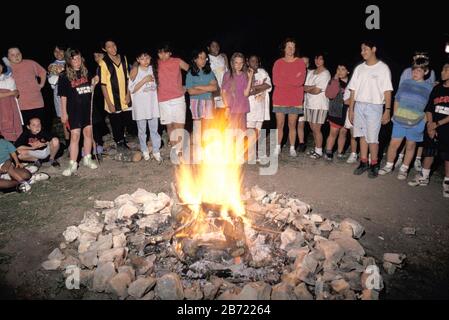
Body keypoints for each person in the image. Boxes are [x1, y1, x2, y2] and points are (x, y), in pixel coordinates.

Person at [378, 58, 433, 180]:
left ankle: (404, 169)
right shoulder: (405, 83)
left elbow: (430, 106)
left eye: (419, 70)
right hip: (400, 119)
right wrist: (395, 114)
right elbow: (397, 99)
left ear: (426, 71)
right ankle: (389, 165)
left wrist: (424, 120)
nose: (415, 73)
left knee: (410, 146)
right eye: (414, 70)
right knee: (393, 144)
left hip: (417, 121)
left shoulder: (429, 87)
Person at [348, 41, 393, 178]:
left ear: (373, 49)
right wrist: (351, 109)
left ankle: (374, 164)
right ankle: (363, 162)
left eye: (365, 49)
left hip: (375, 106)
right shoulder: (359, 68)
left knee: (372, 138)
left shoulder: (383, 68)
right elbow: (353, 90)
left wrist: (388, 109)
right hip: (360, 105)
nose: (362, 52)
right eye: (361, 50)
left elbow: (387, 91)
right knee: (362, 136)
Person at [408, 62, 449, 198]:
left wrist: (437, 124)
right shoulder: (437, 88)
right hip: (433, 125)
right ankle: (424, 177)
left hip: (446, 127)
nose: (442, 72)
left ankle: (447, 183)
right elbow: (429, 108)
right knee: (429, 151)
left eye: (445, 69)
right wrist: (430, 124)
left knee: (447, 156)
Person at [59, 49, 98, 177]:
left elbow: (90, 88)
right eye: (73, 59)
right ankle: (72, 163)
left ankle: (87, 158)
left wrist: (94, 82)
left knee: (88, 133)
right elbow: (63, 96)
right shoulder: (64, 76)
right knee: (75, 136)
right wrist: (64, 113)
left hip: (87, 108)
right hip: (73, 110)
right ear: (69, 61)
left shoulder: (86, 72)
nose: (77, 61)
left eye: (78, 58)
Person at [272, 38, 307, 157]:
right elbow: (276, 81)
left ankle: (292, 147)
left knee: (292, 124)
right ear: (284, 48)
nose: (291, 49)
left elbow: (300, 81)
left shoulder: (300, 63)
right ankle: (278, 147)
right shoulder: (278, 63)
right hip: (280, 98)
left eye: (293, 46)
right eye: (288, 46)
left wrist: (285, 79)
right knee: (279, 124)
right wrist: (293, 78)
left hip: (295, 99)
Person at [154, 43, 190, 156]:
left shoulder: (177, 61)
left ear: (170, 52)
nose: (163, 55)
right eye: (160, 52)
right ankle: (175, 148)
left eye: (165, 52)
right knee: (169, 125)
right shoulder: (155, 64)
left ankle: (181, 149)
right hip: (163, 99)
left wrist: (187, 86)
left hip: (178, 98)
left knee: (179, 125)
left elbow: (191, 71)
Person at [98, 40, 134, 150]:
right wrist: (109, 103)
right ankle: (119, 142)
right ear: (104, 49)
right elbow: (103, 84)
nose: (112, 48)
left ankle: (124, 138)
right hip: (112, 98)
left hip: (124, 96)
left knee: (127, 119)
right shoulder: (103, 62)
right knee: (116, 122)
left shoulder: (124, 58)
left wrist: (128, 94)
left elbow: (128, 78)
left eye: (114, 45)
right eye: (109, 47)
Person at [128, 51, 162, 163]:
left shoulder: (154, 69)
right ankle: (144, 150)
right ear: (138, 59)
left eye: (147, 58)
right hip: (140, 106)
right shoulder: (135, 71)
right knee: (142, 130)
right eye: (142, 59)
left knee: (154, 129)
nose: (145, 61)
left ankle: (156, 150)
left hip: (152, 105)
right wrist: (144, 80)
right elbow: (132, 89)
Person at [7, 47, 47, 127]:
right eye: (13, 55)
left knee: (40, 128)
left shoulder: (30, 63)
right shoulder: (7, 68)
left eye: (18, 54)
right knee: (25, 131)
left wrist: (41, 84)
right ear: (8, 57)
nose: (16, 56)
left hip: (37, 103)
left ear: (21, 54)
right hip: (20, 106)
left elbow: (43, 72)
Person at [304, 53, 331, 159]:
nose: (317, 61)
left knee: (316, 129)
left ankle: (319, 151)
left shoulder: (325, 73)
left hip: (320, 105)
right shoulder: (311, 72)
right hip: (309, 104)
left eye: (320, 59)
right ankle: (316, 148)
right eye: (316, 58)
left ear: (324, 60)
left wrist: (308, 88)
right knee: (312, 128)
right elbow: (304, 86)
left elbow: (317, 90)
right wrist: (311, 87)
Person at [246, 54, 272, 160]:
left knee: (258, 130)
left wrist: (255, 88)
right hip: (250, 108)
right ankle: (249, 152)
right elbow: (249, 91)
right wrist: (260, 87)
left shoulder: (262, 72)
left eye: (256, 61)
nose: (255, 63)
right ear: (247, 62)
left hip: (261, 108)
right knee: (250, 130)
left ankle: (254, 151)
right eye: (252, 61)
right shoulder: (245, 73)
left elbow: (268, 85)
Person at [324, 63, 352, 161]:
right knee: (333, 132)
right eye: (338, 69)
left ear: (348, 71)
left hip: (347, 111)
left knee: (343, 132)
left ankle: (340, 152)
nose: (340, 71)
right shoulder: (334, 81)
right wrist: (335, 79)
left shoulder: (352, 82)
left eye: (343, 69)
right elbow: (329, 94)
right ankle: (328, 151)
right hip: (335, 111)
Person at [186, 48, 217, 134]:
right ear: (195, 59)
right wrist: (207, 89)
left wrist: (198, 86)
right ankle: (197, 146)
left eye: (204, 58)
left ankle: (206, 145)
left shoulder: (209, 72)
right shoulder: (190, 73)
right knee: (197, 126)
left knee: (208, 126)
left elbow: (214, 88)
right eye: (200, 58)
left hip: (208, 101)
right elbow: (191, 92)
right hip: (195, 101)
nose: (203, 60)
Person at [222, 52, 253, 130]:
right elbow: (223, 92)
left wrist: (250, 78)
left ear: (243, 64)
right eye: (236, 62)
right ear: (232, 63)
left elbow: (246, 94)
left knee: (242, 133)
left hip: (242, 108)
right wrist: (227, 107)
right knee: (231, 132)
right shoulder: (228, 74)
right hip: (231, 108)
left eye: (241, 63)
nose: (239, 65)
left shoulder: (244, 75)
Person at [47, 45, 70, 146]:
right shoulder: (52, 65)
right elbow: (52, 81)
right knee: (65, 121)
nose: (58, 53)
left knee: (77, 119)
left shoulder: (71, 61)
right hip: (59, 96)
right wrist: (58, 73)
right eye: (55, 51)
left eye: (61, 51)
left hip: (74, 95)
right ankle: (69, 143)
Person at [0, 59, 22, 142]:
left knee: (11, 128)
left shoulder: (9, 79)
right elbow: (13, 92)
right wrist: (10, 93)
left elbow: (16, 94)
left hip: (9, 110)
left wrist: (14, 93)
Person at [207, 40, 229, 110]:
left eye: (217, 46)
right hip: (213, 90)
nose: (216, 48)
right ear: (208, 48)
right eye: (213, 46)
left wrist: (226, 59)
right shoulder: (206, 59)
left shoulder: (222, 58)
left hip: (224, 90)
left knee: (222, 111)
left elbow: (227, 72)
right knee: (212, 113)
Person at [297, 55, 311, 153]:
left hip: (310, 102)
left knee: (312, 124)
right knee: (300, 123)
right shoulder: (296, 73)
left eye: (306, 63)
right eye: (302, 62)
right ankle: (301, 143)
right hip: (299, 101)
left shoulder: (312, 73)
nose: (304, 65)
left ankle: (318, 146)